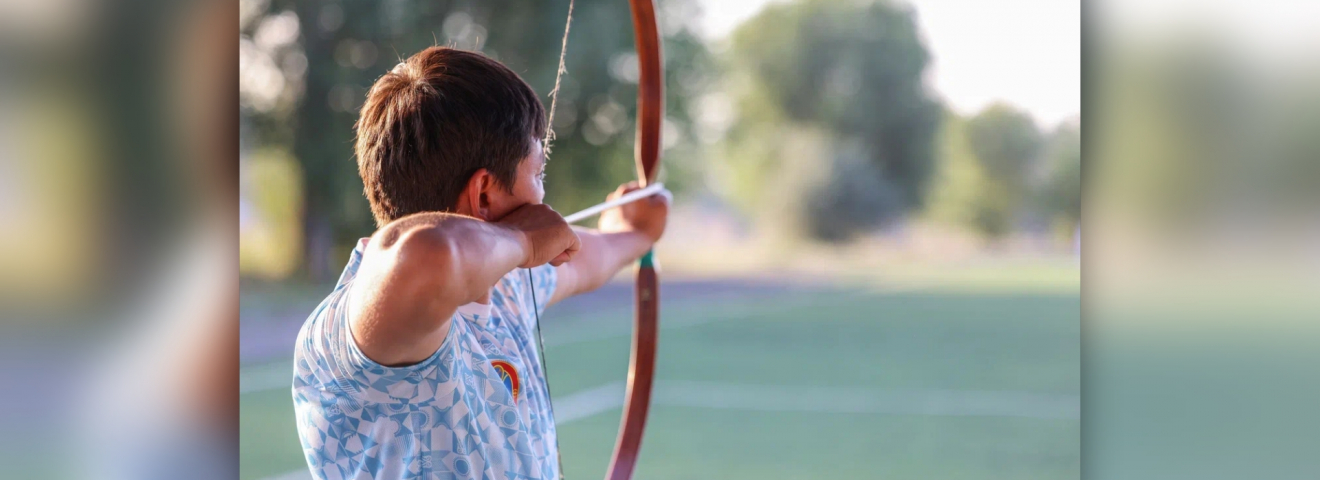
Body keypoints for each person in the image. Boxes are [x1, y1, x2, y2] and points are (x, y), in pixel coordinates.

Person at [292, 46, 668, 480]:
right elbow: (426, 254)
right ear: (485, 193)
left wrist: (635, 233)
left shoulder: (507, 285)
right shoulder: (363, 323)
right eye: (538, 173)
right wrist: (524, 239)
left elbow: (587, 260)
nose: (543, 195)